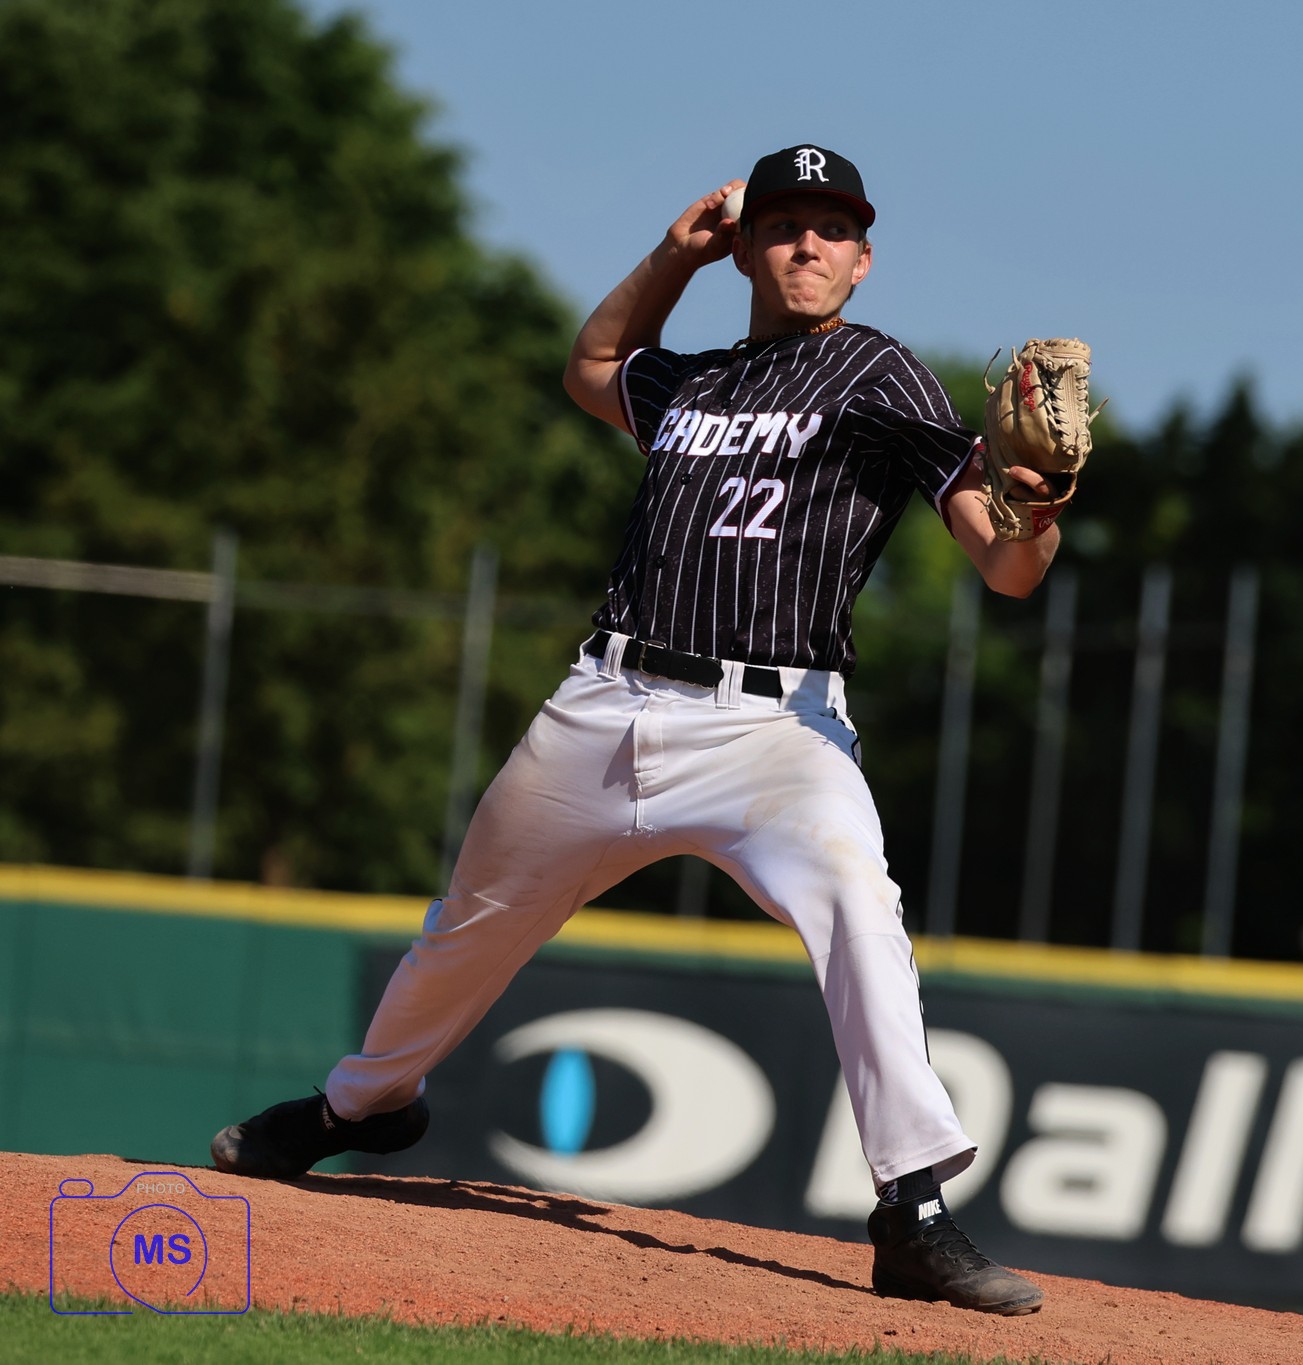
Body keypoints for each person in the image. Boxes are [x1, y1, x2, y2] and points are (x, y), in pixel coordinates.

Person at [210, 144, 1064, 1316]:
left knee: (859, 911)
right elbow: (591, 366)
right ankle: (359, 1107)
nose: (806, 244)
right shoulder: (692, 383)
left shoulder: (882, 375)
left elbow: (1005, 567)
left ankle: (911, 1209)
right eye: (783, 225)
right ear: (745, 249)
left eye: (831, 229)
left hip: (775, 729)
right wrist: (671, 255)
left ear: (862, 262)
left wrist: (1039, 507)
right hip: (605, 704)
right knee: (468, 925)